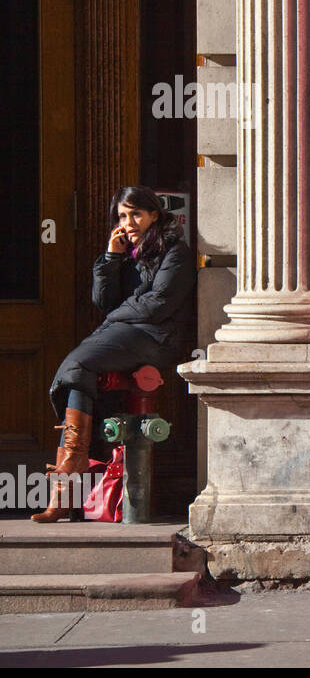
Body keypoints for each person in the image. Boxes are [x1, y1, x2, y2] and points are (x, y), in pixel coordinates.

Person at [35, 186, 196, 522]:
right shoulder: (125, 254)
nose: (129, 222)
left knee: (77, 361)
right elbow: (103, 301)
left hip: (156, 337)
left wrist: (116, 316)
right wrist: (110, 258)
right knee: (80, 377)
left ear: (154, 214)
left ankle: (68, 477)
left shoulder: (174, 251)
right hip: (125, 334)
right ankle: (66, 487)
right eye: (123, 215)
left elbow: (159, 304)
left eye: (136, 213)